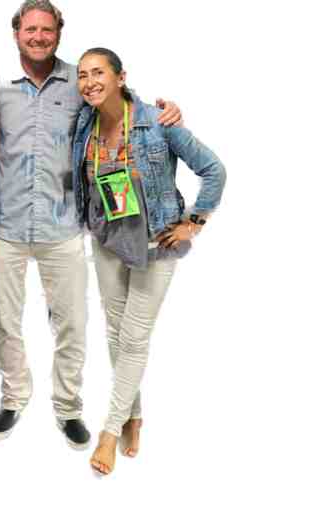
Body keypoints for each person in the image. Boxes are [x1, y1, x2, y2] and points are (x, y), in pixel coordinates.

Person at [0, 0, 182, 450]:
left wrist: (166, 111)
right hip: (7, 228)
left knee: (71, 324)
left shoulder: (80, 82)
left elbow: (123, 105)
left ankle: (68, 408)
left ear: (58, 34)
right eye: (30, 29)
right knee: (5, 323)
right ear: (16, 33)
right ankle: (12, 400)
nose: (38, 37)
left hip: (65, 227)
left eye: (47, 30)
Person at [72, 47, 226, 475]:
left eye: (98, 72)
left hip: (157, 241)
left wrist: (194, 221)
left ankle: (109, 431)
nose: (89, 82)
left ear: (121, 77)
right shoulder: (84, 123)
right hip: (107, 239)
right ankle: (132, 415)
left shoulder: (159, 122)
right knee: (115, 331)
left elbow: (214, 170)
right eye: (82, 75)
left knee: (135, 337)